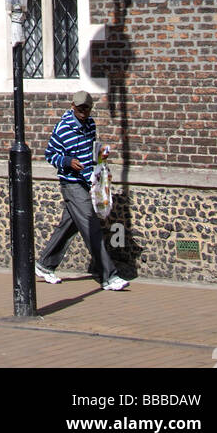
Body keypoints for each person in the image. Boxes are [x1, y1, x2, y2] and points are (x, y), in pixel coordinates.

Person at [36, 90, 129, 291]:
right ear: (73, 106)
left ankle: (45, 264)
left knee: (69, 225)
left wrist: (101, 160)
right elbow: (50, 154)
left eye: (86, 109)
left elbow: (92, 149)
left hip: (88, 181)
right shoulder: (63, 128)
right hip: (71, 182)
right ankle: (109, 276)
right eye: (80, 109)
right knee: (90, 224)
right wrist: (68, 161)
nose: (83, 113)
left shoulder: (90, 125)